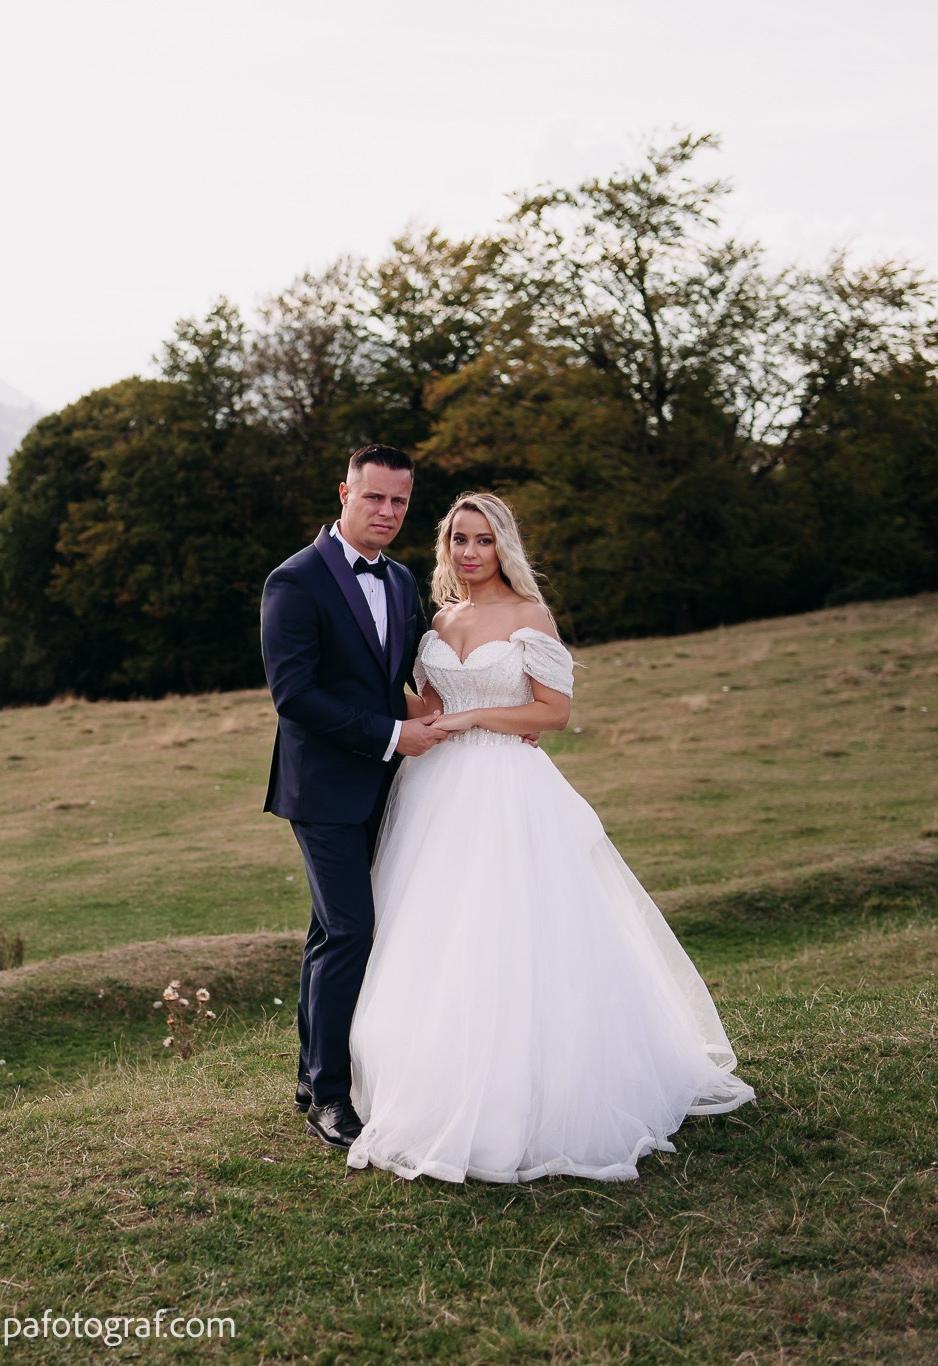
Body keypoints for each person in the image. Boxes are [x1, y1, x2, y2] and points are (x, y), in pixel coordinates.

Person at [343, 491, 754, 1182]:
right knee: (439, 929)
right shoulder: (440, 618)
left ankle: (541, 1089)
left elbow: (553, 711)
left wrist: (478, 720)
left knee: (518, 929)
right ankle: (437, 1073)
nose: (469, 553)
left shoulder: (530, 615)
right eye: (457, 540)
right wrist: (387, 699)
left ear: (503, 545)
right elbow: (433, 707)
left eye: (481, 540)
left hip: (508, 787)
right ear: (445, 547)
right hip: (436, 792)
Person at [259, 444, 450, 1150]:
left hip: (389, 785)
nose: (389, 513)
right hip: (323, 788)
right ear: (345, 492)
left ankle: (312, 1074)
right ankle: (331, 1101)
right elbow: (294, 694)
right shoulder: (294, 581)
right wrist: (391, 734)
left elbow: (398, 676)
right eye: (375, 498)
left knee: (330, 931)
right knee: (352, 932)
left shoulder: (400, 582)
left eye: (400, 501)